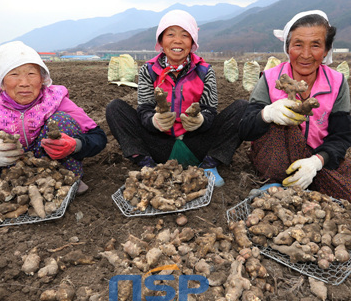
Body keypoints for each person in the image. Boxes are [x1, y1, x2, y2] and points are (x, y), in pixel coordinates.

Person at [239, 10, 351, 229]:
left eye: (315, 45)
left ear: (326, 50)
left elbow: (341, 137)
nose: (305, 54)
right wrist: (266, 114)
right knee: (287, 126)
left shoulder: (337, 82)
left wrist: (317, 161)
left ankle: (308, 185)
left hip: (316, 162)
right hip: (274, 159)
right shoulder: (270, 78)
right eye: (298, 44)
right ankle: (276, 187)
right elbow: (245, 129)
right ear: (287, 48)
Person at [0, 41, 107, 194]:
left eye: (31, 74)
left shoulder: (56, 99)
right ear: (2, 81)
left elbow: (97, 137)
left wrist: (75, 146)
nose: (24, 83)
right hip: (6, 177)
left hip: (52, 173)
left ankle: (66, 183)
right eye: (14, 74)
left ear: (42, 79)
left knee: (61, 121)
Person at [106, 10, 247, 187]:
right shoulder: (148, 71)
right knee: (115, 108)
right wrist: (154, 121)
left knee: (243, 108)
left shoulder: (204, 71)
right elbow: (144, 110)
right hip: (158, 145)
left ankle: (210, 165)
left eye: (185, 35)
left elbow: (210, 110)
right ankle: (147, 165)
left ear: (192, 42)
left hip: (196, 143)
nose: (177, 40)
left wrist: (201, 121)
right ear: (161, 41)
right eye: (170, 34)